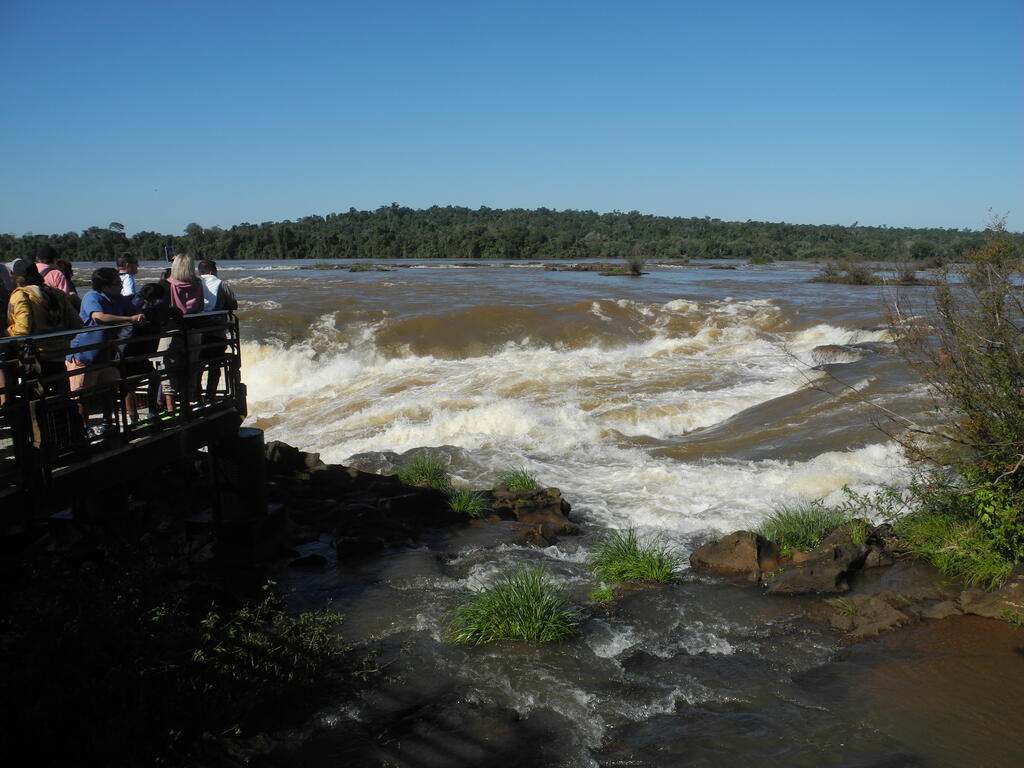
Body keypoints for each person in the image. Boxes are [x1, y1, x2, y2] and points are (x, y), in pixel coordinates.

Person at [66, 268, 144, 438]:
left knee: (110, 387)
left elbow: (135, 311)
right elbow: (98, 317)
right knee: (81, 394)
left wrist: (140, 315)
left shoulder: (120, 299)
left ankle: (108, 422)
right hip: (84, 355)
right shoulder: (92, 297)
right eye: (117, 282)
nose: (121, 284)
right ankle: (84, 430)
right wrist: (129, 320)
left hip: (105, 354)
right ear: (106, 286)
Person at [6, 260, 83, 389]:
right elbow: (77, 323)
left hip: (36, 356)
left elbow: (22, 329)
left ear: (16, 277)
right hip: (59, 354)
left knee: (35, 397)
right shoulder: (57, 293)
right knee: (61, 397)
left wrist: (7, 333)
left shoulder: (21, 294)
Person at [165, 254, 203, 406]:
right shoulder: (198, 284)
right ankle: (190, 399)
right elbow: (200, 306)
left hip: (172, 330)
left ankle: (171, 406)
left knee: (169, 368)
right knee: (192, 365)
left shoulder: (165, 284)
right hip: (194, 328)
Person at [196, 259, 238, 400]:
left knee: (198, 365)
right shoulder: (221, 283)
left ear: (200, 271)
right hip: (217, 330)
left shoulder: (194, 283)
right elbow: (233, 304)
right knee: (215, 365)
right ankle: (210, 395)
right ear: (212, 271)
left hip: (196, 330)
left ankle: (196, 394)